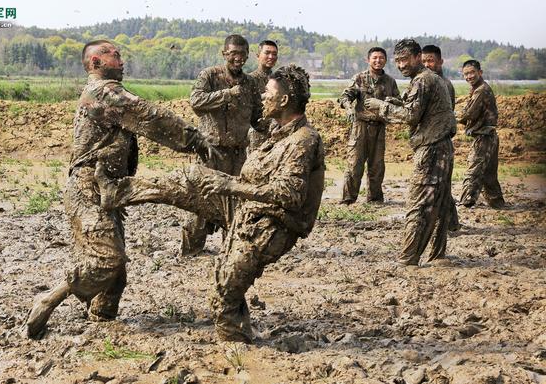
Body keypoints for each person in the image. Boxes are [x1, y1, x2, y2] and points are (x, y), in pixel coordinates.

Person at [96, 65, 325, 343]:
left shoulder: (304, 140)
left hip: (272, 225)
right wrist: (227, 184)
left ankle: (238, 345)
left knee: (224, 294)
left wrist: (230, 185)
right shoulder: (275, 132)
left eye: (268, 92)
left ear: (285, 100)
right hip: (246, 207)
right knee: (191, 178)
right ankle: (118, 192)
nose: (263, 97)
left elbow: (289, 193)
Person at [23, 40, 219, 338]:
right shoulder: (103, 92)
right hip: (88, 188)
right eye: (114, 56)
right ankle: (49, 299)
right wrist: (194, 140)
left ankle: (101, 324)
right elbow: (149, 116)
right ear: (96, 62)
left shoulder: (103, 92)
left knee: (116, 274)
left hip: (105, 188)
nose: (121, 60)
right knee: (106, 260)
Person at [364, 39, 455, 267]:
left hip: (431, 150)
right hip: (442, 147)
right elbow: (416, 108)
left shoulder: (422, 81)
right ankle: (437, 255)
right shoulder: (431, 79)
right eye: (397, 61)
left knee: (419, 205)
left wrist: (379, 105)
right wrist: (395, 102)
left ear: (417, 57)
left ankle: (407, 259)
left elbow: (410, 116)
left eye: (405, 60)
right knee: (440, 207)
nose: (401, 65)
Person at [182, 34, 263, 256]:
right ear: (224, 54)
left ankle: (231, 249)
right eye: (233, 54)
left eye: (243, 54)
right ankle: (191, 250)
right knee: (201, 199)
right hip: (211, 152)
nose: (238, 58)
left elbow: (258, 118)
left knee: (237, 201)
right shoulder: (209, 75)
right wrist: (226, 95)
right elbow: (196, 101)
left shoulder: (250, 83)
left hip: (238, 154)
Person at [338, 47, 400, 205]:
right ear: (368, 60)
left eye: (381, 58)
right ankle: (348, 199)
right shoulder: (359, 78)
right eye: (375, 58)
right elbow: (346, 96)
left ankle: (375, 199)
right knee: (354, 164)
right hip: (360, 127)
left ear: (385, 60)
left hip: (379, 127)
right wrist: (349, 107)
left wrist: (393, 102)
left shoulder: (390, 81)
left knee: (377, 165)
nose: (378, 61)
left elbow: (399, 102)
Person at [422, 44, 460, 231]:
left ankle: (447, 224)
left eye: (431, 60)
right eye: (424, 61)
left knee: (440, 185)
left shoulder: (443, 84)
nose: (427, 64)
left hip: (439, 140)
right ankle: (451, 223)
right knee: (441, 185)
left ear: (440, 61)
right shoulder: (429, 81)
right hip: (432, 139)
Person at [457, 59, 505, 208]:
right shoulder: (477, 89)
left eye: (472, 72)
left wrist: (450, 115)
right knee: (489, 175)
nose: (469, 76)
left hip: (484, 137)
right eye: (466, 74)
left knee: (473, 169)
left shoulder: (481, 90)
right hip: (489, 136)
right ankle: (497, 203)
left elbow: (469, 114)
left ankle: (466, 202)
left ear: (480, 72)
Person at [248, 40, 279, 152]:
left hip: (276, 134)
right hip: (255, 134)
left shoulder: (280, 80)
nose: (271, 56)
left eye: (274, 54)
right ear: (258, 55)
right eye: (267, 53)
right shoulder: (249, 80)